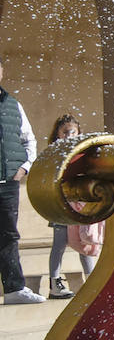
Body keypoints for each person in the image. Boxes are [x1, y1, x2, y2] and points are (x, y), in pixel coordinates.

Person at [0, 57, 42, 304]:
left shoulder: (13, 104)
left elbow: (30, 140)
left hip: (7, 182)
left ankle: (15, 289)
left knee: (8, 235)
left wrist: (24, 168)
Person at [45, 115, 97, 299]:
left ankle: (91, 281)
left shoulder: (81, 151)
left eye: (72, 132)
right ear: (58, 134)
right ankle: (54, 282)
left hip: (79, 202)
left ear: (78, 132)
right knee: (59, 243)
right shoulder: (54, 152)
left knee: (85, 241)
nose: (69, 136)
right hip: (61, 203)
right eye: (65, 132)